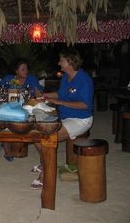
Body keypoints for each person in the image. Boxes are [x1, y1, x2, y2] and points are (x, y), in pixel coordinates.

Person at [30, 48, 94, 189]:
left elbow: (84, 105)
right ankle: (44, 163)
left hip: (80, 119)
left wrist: (60, 103)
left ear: (70, 62)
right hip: (64, 116)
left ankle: (45, 175)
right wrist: (46, 96)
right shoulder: (66, 77)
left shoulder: (84, 79)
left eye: (61, 60)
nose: (59, 63)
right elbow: (60, 94)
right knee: (36, 134)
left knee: (47, 139)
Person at [0, 58, 43, 161]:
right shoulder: (9, 78)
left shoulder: (31, 79)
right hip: (11, 106)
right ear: (16, 71)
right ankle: (7, 150)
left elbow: (39, 94)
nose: (26, 71)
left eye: (26, 68)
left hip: (28, 107)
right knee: (5, 119)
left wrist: (37, 93)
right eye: (23, 69)